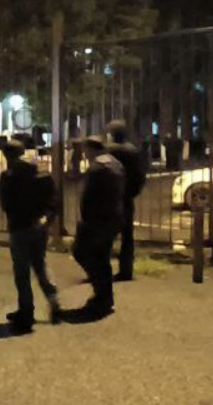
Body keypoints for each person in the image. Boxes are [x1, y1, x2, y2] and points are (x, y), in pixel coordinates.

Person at [0, 139, 60, 332]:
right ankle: (53, 300)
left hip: (19, 226)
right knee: (40, 264)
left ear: (7, 155)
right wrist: (47, 218)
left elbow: (5, 204)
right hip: (39, 225)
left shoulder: (9, 176)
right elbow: (53, 198)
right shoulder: (41, 170)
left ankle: (26, 312)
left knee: (22, 272)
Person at [72, 135, 124, 317]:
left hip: (97, 221)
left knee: (83, 253)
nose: (84, 154)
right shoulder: (115, 163)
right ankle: (105, 298)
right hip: (113, 218)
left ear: (90, 149)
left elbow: (89, 198)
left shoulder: (97, 168)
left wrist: (85, 220)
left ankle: (102, 297)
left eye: (85, 150)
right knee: (102, 258)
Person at [106, 119, 147, 281]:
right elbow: (140, 176)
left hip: (109, 198)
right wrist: (131, 193)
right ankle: (126, 270)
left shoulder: (107, 151)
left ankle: (102, 269)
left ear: (111, 134)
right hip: (126, 198)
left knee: (105, 235)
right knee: (127, 236)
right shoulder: (133, 151)